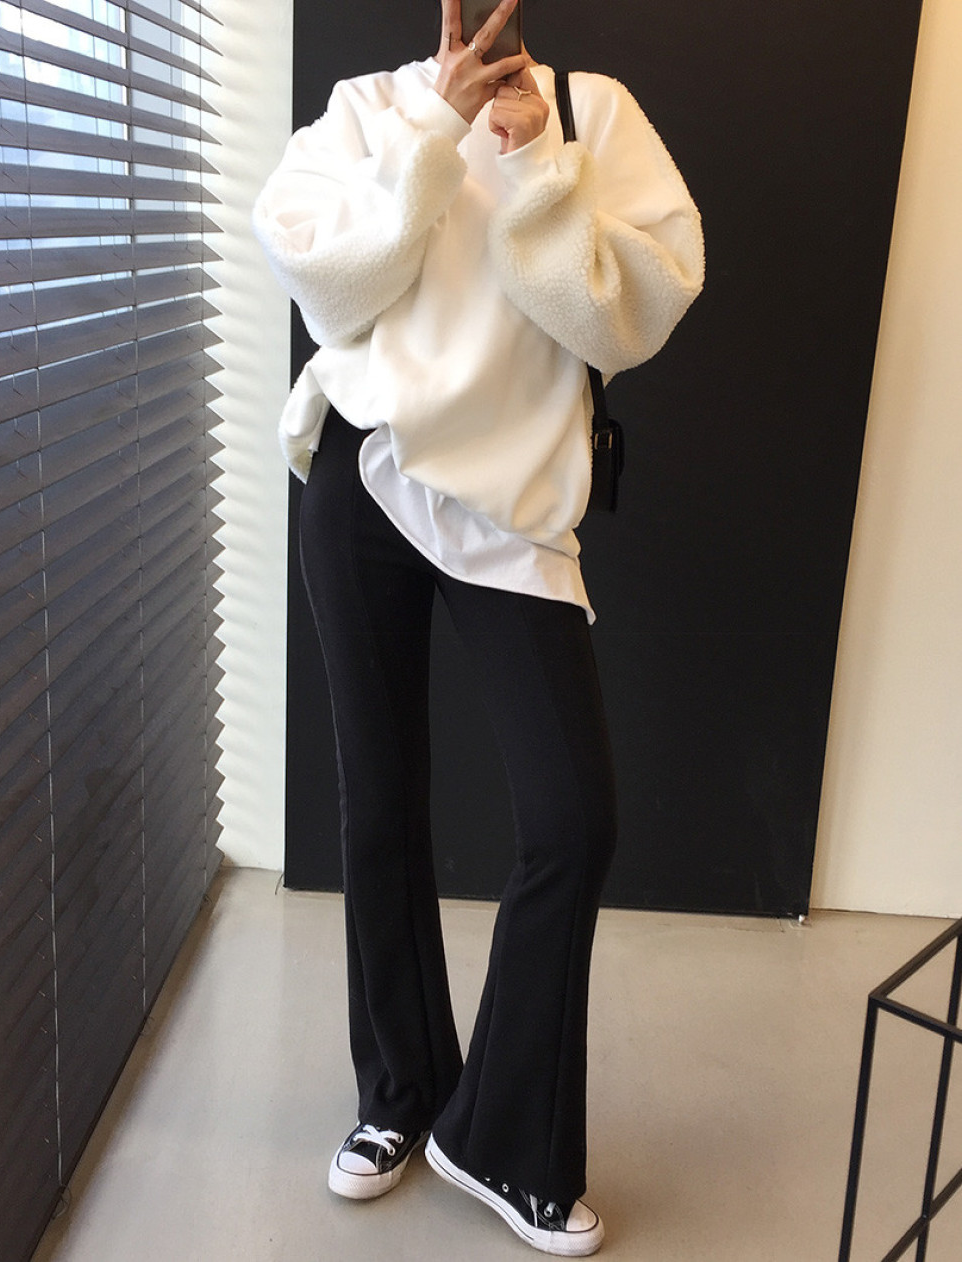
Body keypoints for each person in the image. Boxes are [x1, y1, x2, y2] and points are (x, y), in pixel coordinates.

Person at [253, 0, 703, 1253]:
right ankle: (399, 1095)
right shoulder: (366, 108)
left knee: (572, 816)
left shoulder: (594, 115)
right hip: (370, 474)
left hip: (513, 507)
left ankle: (499, 1135)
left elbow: (624, 322)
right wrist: (432, 133)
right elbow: (326, 290)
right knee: (380, 802)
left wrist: (538, 160)